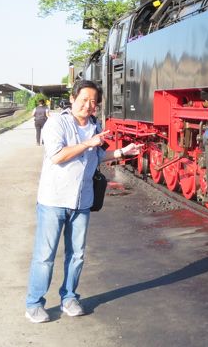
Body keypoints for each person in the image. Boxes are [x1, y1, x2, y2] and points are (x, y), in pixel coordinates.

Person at [25, 80, 142, 323]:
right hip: (53, 200)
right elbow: (57, 156)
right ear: (72, 99)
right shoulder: (56, 123)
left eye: (93, 102)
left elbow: (98, 156)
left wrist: (122, 152)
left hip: (82, 202)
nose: (88, 106)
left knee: (77, 254)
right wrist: (88, 142)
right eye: (84, 100)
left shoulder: (94, 125)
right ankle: (34, 303)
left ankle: (69, 298)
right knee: (45, 256)